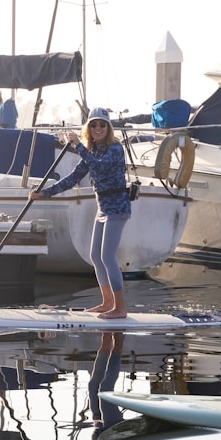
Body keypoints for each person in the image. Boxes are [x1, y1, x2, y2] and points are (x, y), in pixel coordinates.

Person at [31, 107, 132, 318]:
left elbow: (100, 168)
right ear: (89, 128)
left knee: (107, 256)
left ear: (108, 127)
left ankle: (120, 308)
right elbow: (73, 177)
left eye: (102, 124)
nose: (98, 128)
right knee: (95, 255)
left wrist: (78, 146)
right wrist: (45, 193)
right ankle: (107, 303)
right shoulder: (91, 151)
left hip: (117, 206)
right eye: (94, 124)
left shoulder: (114, 149)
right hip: (103, 208)